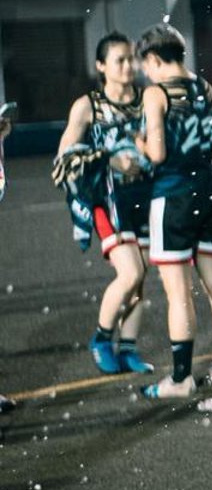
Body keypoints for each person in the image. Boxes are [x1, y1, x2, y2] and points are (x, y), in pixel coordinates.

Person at [135, 23, 212, 399]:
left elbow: (158, 154)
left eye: (145, 64)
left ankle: (180, 379)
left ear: (153, 58)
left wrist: (138, 141)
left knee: (179, 293)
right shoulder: (206, 89)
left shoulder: (156, 94)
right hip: (210, 192)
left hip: (173, 197)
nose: (145, 71)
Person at [54, 34, 156, 375]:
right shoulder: (88, 106)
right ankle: (101, 338)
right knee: (130, 273)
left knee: (141, 281)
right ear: (101, 66)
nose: (128, 66)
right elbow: (65, 158)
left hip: (144, 195)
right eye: (119, 60)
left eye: (130, 59)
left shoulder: (148, 100)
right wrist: (110, 160)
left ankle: (128, 349)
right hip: (107, 199)